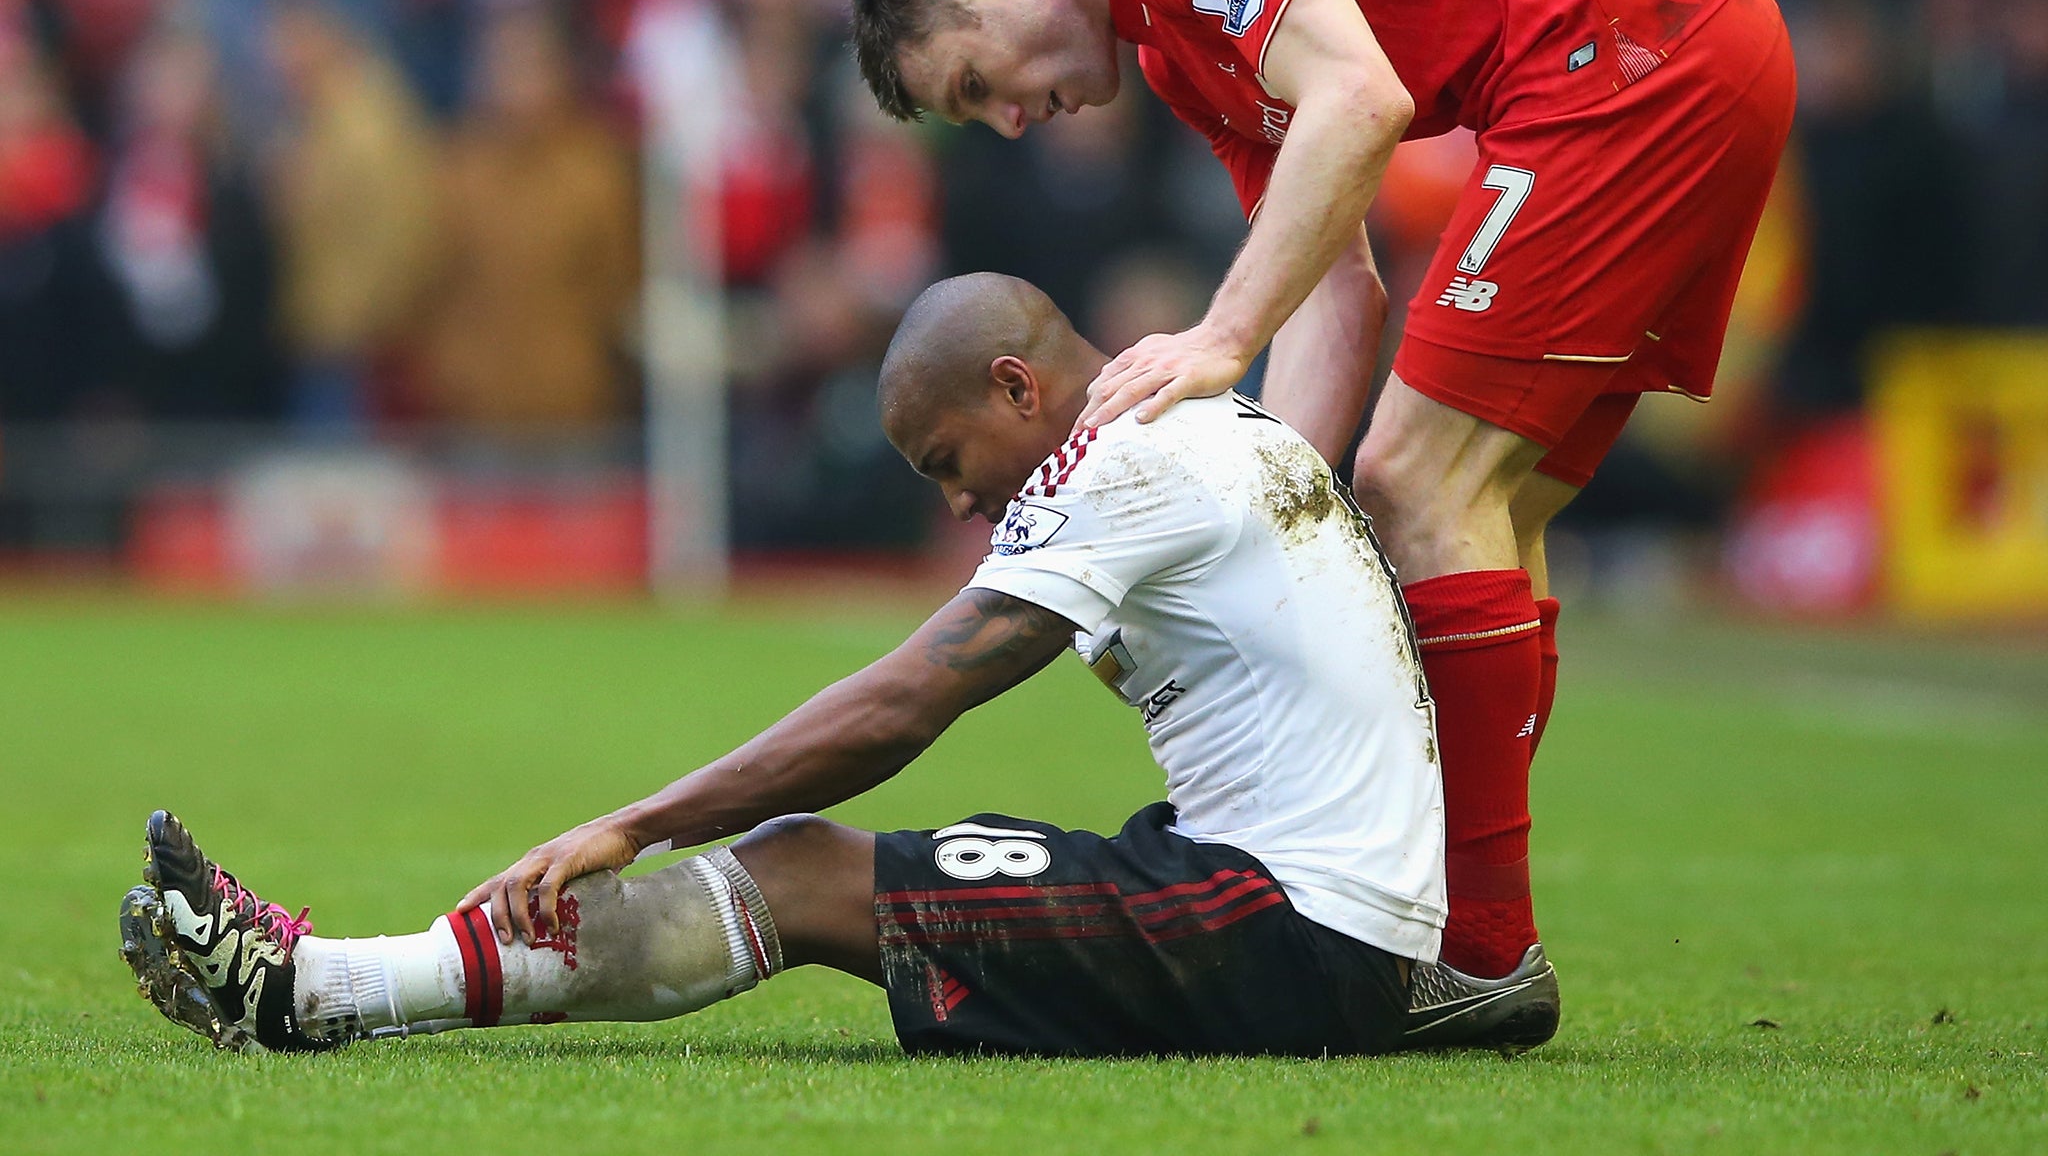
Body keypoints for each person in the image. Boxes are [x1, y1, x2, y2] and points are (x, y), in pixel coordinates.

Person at [848, 0, 1797, 983]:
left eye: (979, 84)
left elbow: (1358, 99)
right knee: (1479, 507)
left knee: (1412, 479)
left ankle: (1470, 951)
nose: (1011, 122)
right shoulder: (1183, 48)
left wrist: (1217, 341)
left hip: (1620, 52)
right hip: (1681, 44)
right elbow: (1337, 283)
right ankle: (1450, 920)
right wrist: (1274, 521)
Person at [119, 274, 1555, 1058]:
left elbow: (907, 699)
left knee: (803, 867)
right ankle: (325, 985)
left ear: (1017, 387)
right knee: (822, 864)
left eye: (950, 465)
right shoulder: (1204, 433)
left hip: (1288, 929)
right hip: (1279, 897)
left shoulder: (1128, 461)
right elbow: (1337, 305)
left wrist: (638, 820)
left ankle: (314, 995)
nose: (955, 505)